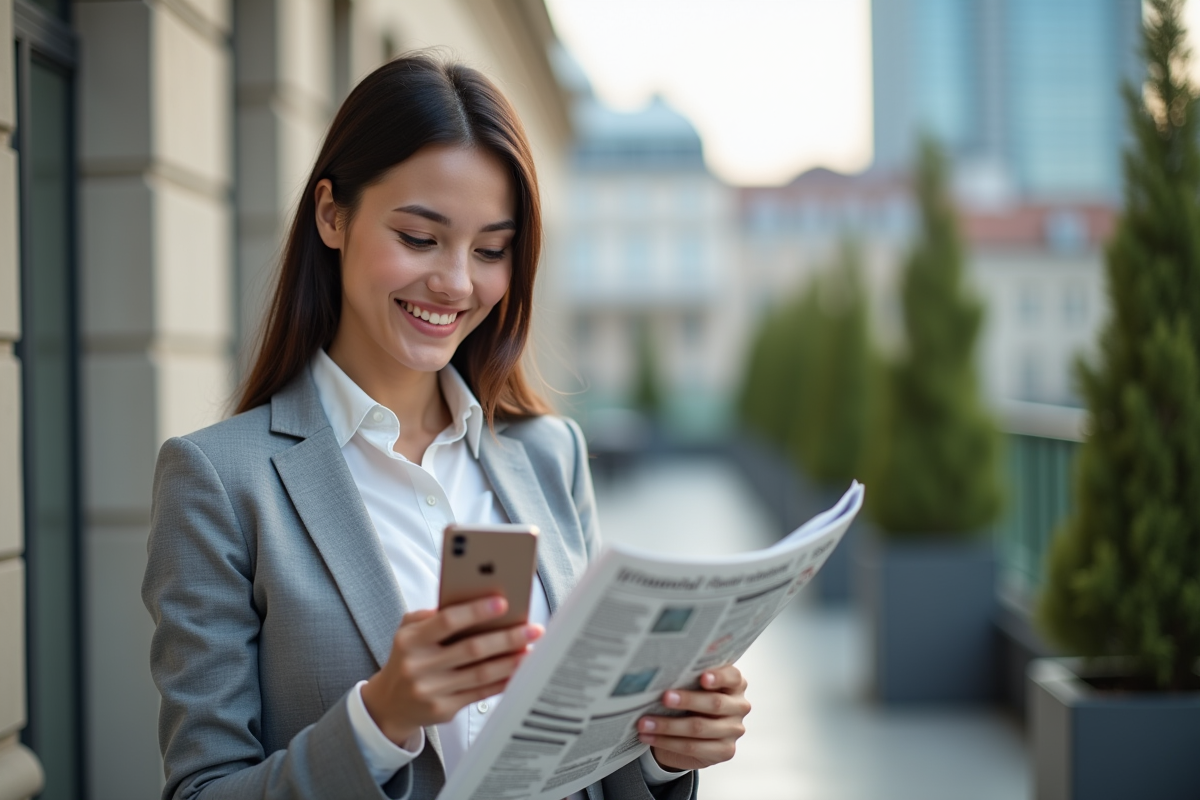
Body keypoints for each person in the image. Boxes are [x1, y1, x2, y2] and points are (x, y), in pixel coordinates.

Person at [142, 54, 750, 800]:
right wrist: (379, 720)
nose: (458, 282)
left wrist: (666, 751)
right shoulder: (221, 482)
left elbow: (595, 757)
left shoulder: (548, 453)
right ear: (332, 214)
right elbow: (201, 791)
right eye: (421, 237)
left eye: (491, 250)